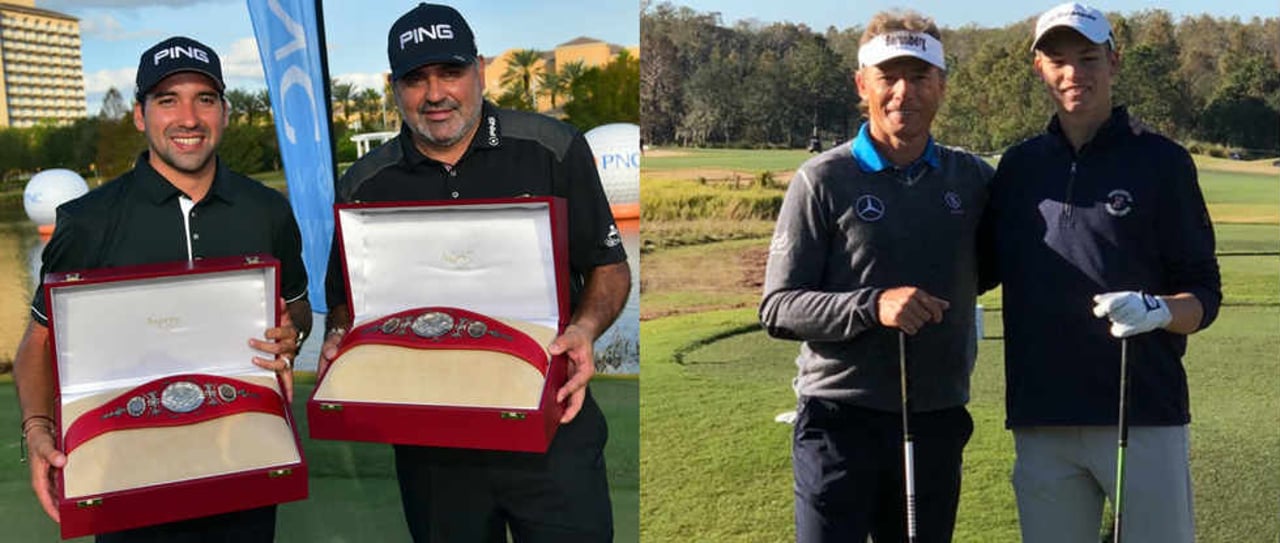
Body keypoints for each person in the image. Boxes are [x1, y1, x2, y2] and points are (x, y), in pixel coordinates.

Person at [316, 4, 630, 541]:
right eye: (415, 79)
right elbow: (347, 301)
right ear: (393, 86)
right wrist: (342, 335)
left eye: (450, 72)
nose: (435, 94)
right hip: (432, 447)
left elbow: (608, 267)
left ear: (479, 70)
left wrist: (583, 329)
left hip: (552, 424)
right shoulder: (367, 183)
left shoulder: (551, 149)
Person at [14, 36, 311, 542]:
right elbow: (37, 344)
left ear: (225, 111)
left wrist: (292, 333)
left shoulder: (266, 209)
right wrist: (38, 429)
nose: (188, 118)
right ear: (139, 114)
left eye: (205, 98)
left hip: (241, 456)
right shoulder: (87, 221)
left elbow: (299, 311)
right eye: (167, 100)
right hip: (126, 464)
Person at [979, 3, 1221, 542]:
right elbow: (978, 268)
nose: (1073, 74)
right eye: (1058, 61)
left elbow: (1205, 294)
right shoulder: (1018, 168)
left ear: (1114, 60)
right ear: (1039, 69)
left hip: (1142, 414)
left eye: (1088, 57)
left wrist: (1158, 311)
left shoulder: (1162, 161)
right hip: (1042, 417)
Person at [759, 10, 992, 543]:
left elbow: (997, 266)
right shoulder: (822, 179)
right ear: (863, 84)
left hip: (935, 417)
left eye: (920, 76)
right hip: (838, 420)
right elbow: (778, 307)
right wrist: (871, 305)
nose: (903, 92)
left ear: (942, 86)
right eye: (888, 76)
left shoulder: (974, 179)